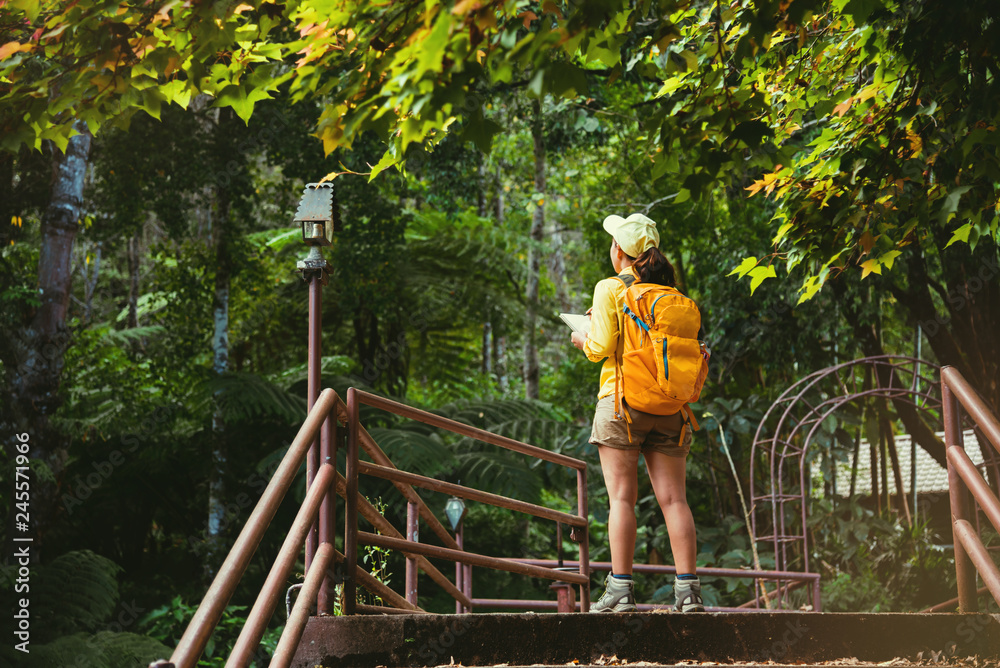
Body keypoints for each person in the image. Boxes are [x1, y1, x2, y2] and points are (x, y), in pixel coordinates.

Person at [570, 212, 703, 613]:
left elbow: (599, 349)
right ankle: (689, 594)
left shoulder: (610, 288)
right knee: (674, 500)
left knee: (622, 500)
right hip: (671, 408)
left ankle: (621, 591)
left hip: (622, 403)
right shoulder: (675, 297)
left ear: (620, 251)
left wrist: (581, 337)